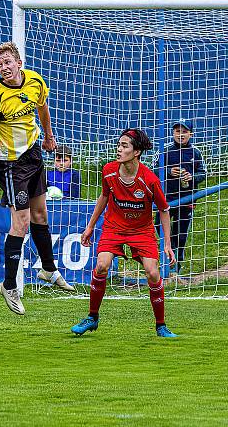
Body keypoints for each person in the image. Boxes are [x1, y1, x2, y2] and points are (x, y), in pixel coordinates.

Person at [0, 42, 74, 316]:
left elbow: (42, 106)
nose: (4, 68)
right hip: (9, 165)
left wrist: (49, 135)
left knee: (40, 215)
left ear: (19, 62)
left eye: (8, 62)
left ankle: (48, 269)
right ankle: (9, 285)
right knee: (20, 223)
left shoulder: (35, 81)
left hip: (33, 156)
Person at [72, 128, 177, 338]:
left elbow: (164, 210)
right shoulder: (109, 171)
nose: (119, 149)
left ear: (136, 152)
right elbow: (103, 197)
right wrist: (90, 226)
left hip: (142, 230)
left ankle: (161, 326)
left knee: (153, 273)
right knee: (101, 265)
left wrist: (167, 243)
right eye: (119, 145)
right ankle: (92, 317)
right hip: (114, 227)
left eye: (124, 146)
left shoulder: (150, 180)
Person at [158, 120, 206, 274]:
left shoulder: (196, 152)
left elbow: (203, 173)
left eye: (184, 132)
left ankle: (176, 266)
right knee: (159, 227)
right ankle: (166, 255)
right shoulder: (164, 151)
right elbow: (152, 171)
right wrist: (168, 173)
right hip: (166, 200)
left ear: (190, 134)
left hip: (187, 200)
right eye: (177, 131)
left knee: (181, 234)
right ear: (173, 133)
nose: (181, 134)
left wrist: (191, 177)